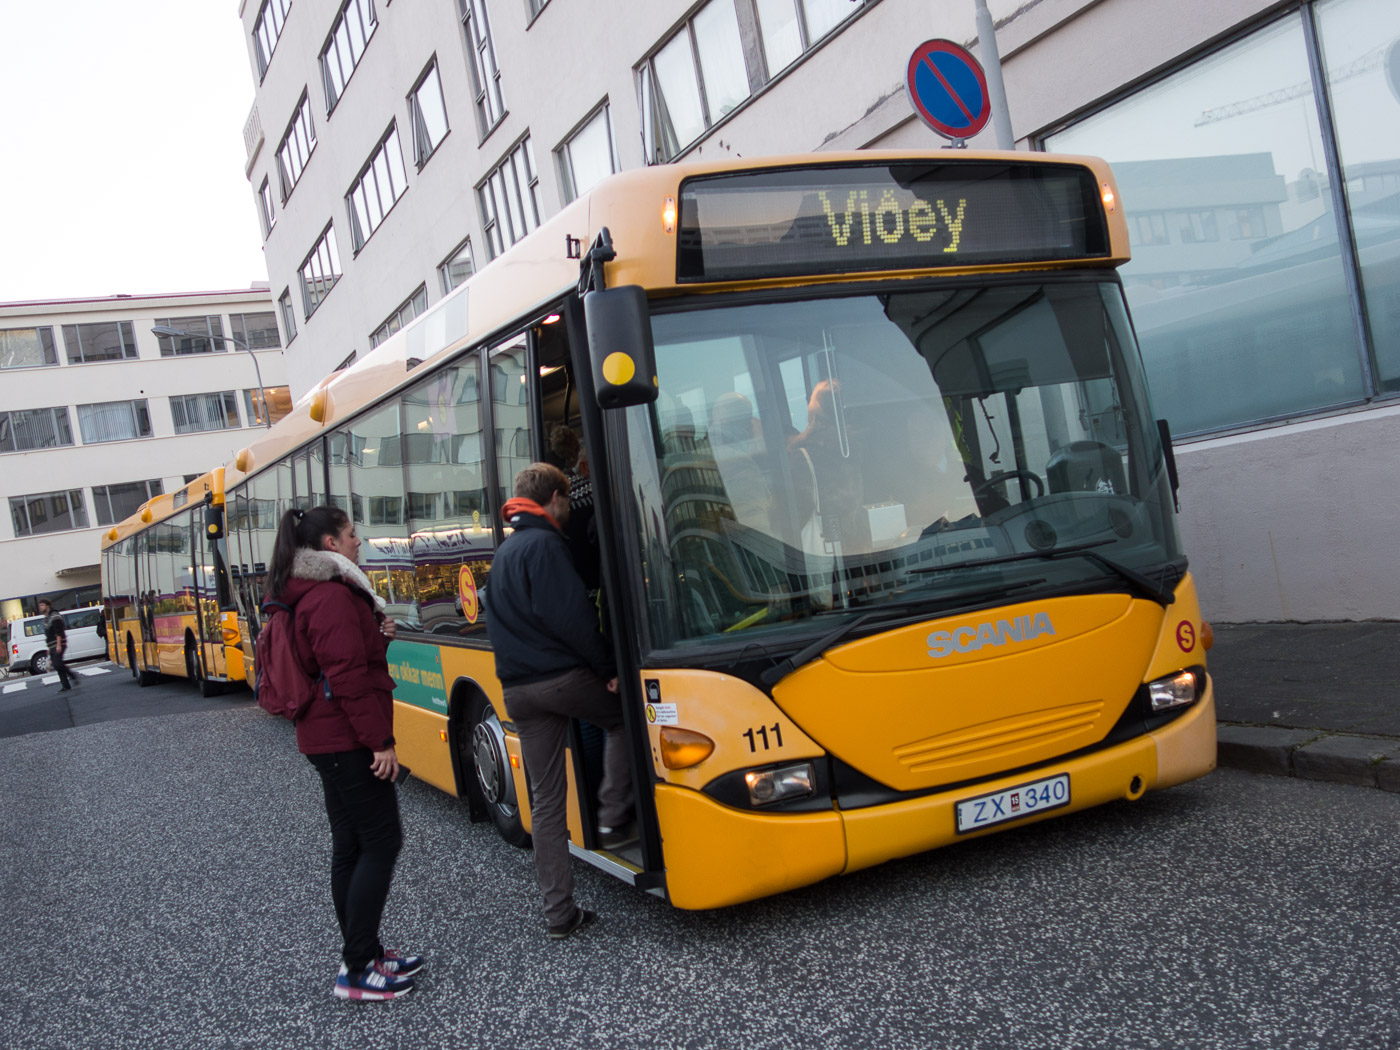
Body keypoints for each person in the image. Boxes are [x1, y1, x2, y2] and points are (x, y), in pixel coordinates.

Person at [264, 505, 422, 1001]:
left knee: (351, 845)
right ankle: (357, 969)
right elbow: (349, 679)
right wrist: (380, 743)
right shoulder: (330, 595)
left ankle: (367, 953)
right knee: (381, 841)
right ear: (331, 545)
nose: (359, 541)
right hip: (345, 740)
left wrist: (377, 639)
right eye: (352, 534)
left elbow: (341, 664)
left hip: (325, 737)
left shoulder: (313, 592)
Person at [484, 462, 633, 940]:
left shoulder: (505, 552)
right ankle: (614, 818)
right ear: (553, 497)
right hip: (560, 678)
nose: (570, 508)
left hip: (518, 692)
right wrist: (608, 669)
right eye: (567, 499)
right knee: (623, 720)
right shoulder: (547, 545)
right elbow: (572, 619)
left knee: (546, 801)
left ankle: (559, 913)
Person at [37, 599, 76, 690]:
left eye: (42, 605)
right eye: (40, 605)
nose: (40, 607)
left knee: (57, 664)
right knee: (57, 664)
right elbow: (48, 635)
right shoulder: (46, 618)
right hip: (52, 645)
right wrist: (49, 648)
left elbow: (59, 631)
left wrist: (59, 644)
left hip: (59, 643)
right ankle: (66, 684)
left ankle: (70, 678)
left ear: (48, 606)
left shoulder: (55, 616)